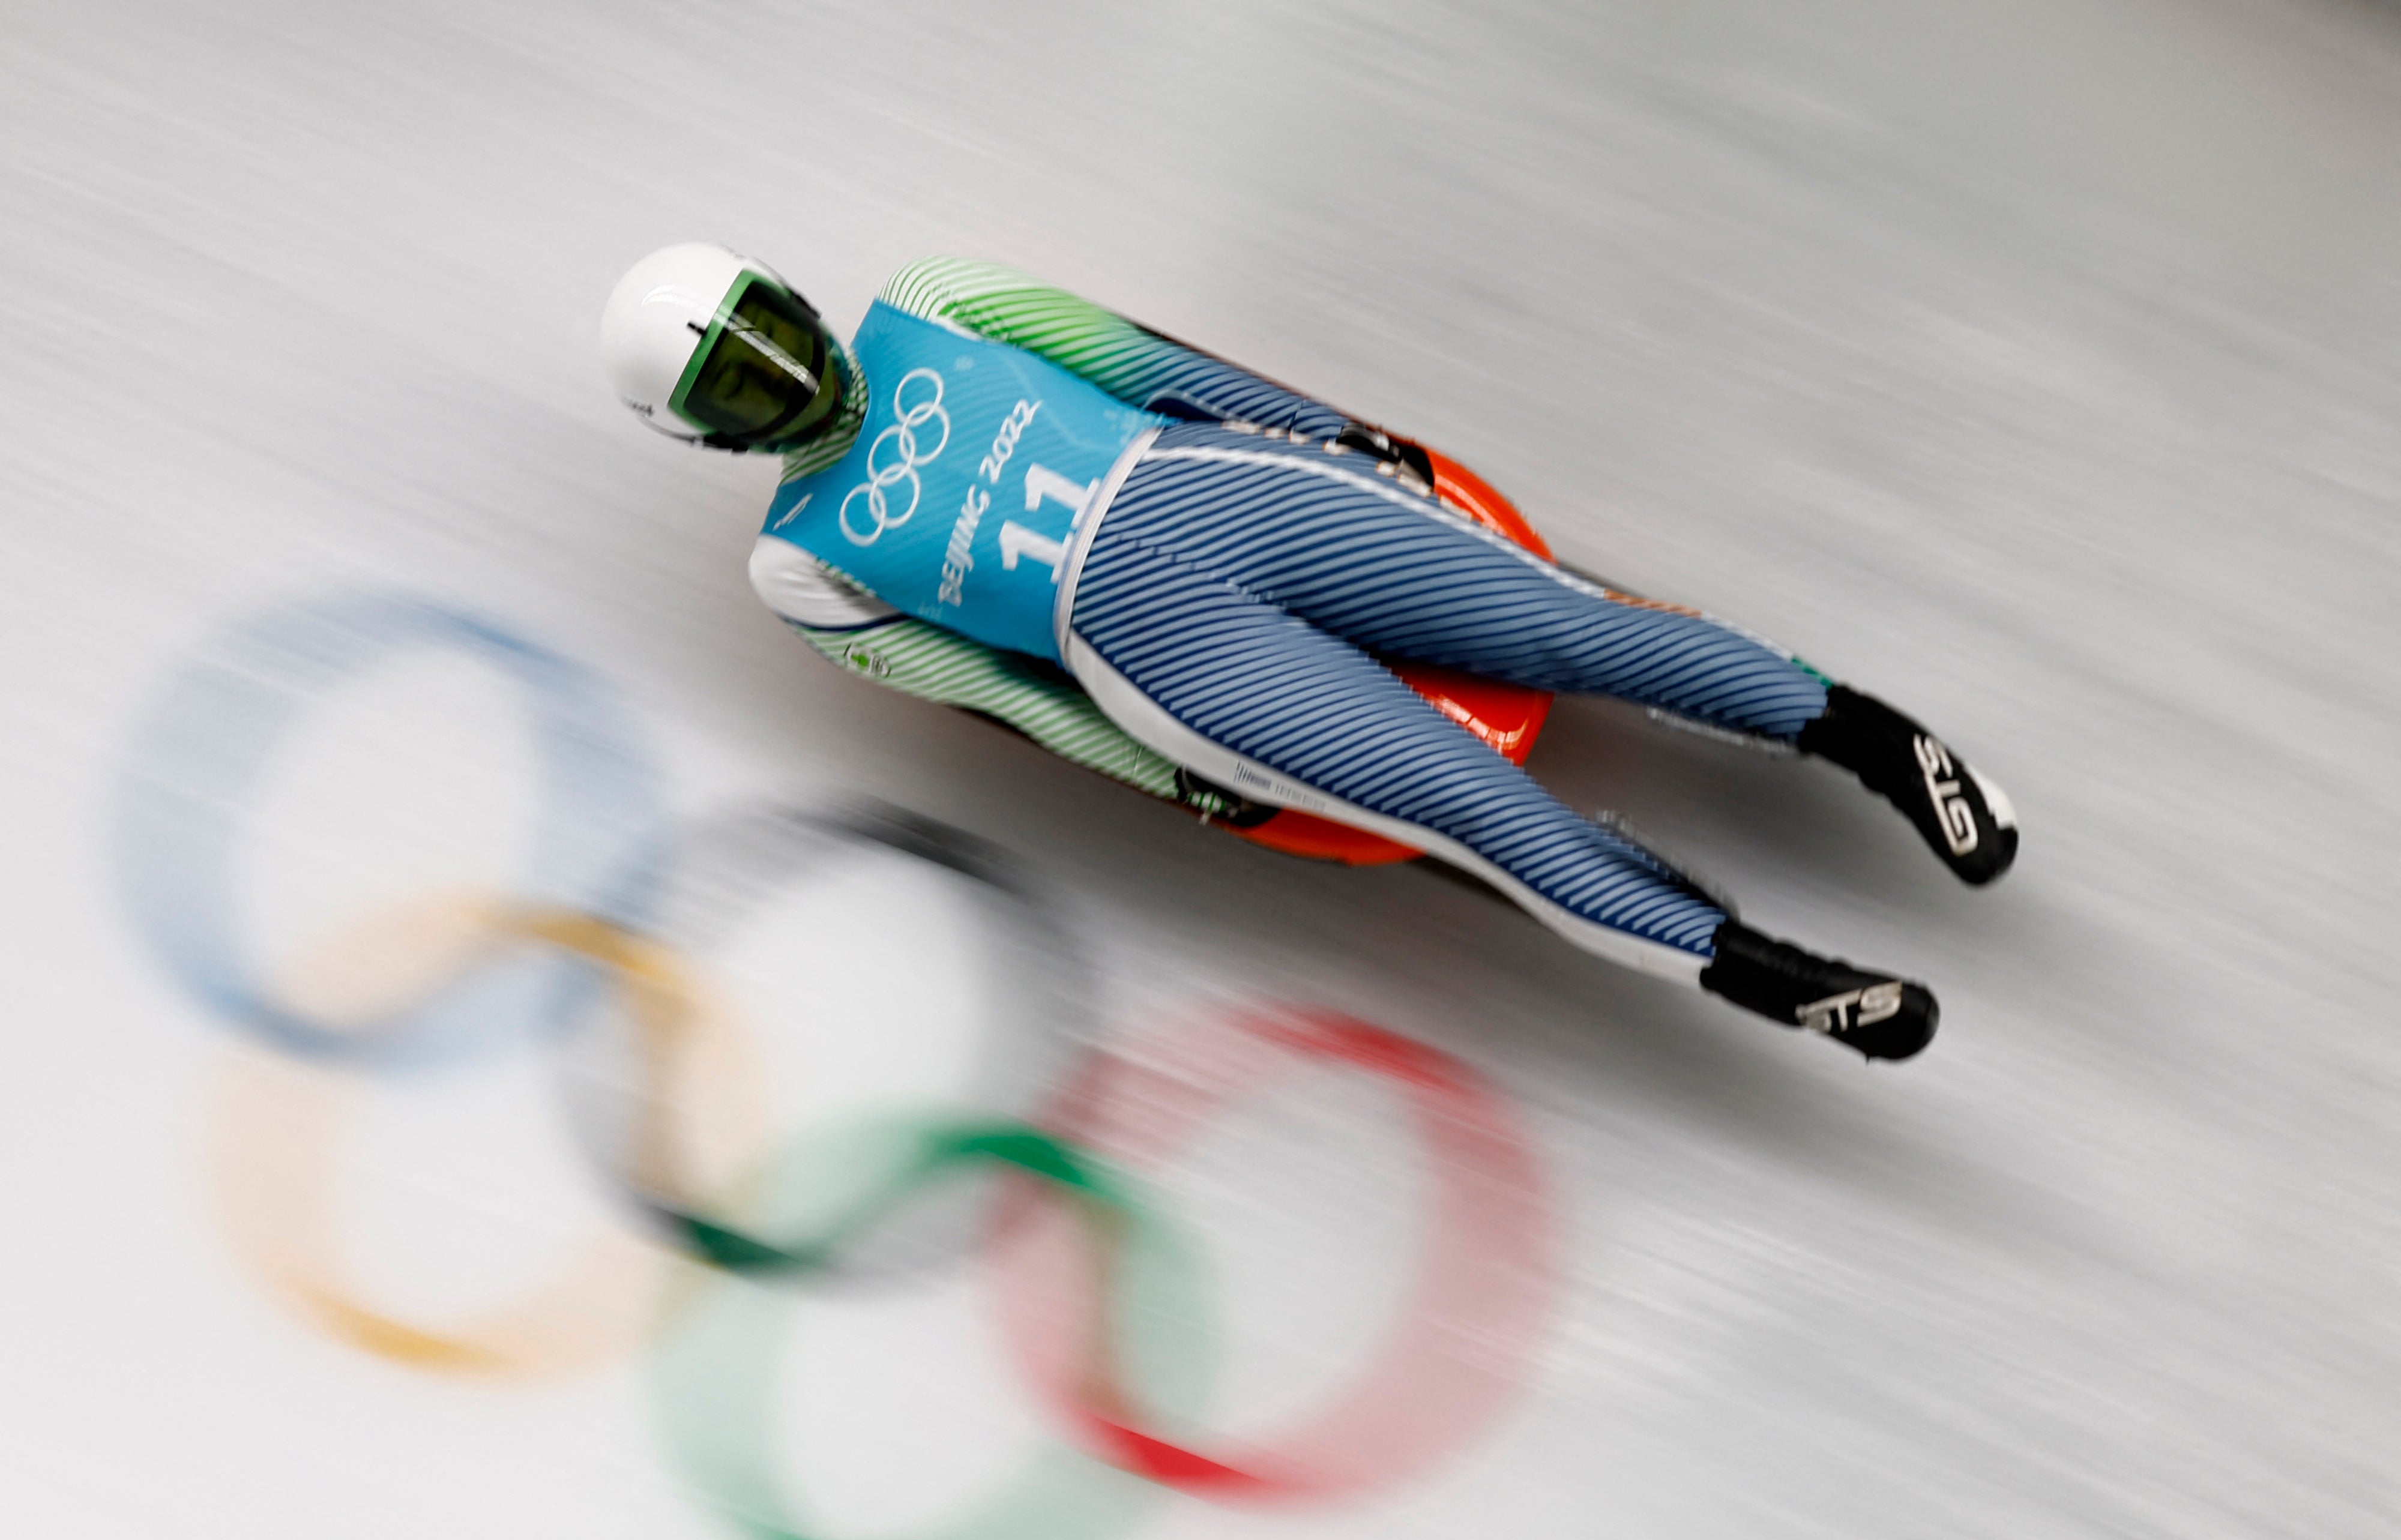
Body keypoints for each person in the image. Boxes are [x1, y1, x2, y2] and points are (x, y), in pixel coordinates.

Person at [599, 244, 2017, 1060]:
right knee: (1471, 815)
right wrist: (1178, 784)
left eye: (772, 330)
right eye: (741, 378)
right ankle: (1761, 970)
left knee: (1564, 627)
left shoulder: (939, 303)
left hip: (1222, 490)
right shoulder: (800, 567)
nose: (788, 373)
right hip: (1155, 654)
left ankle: (1876, 738)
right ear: (709, 433)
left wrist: (1337, 441)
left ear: (796, 293)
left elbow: (1157, 368)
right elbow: (1002, 698)